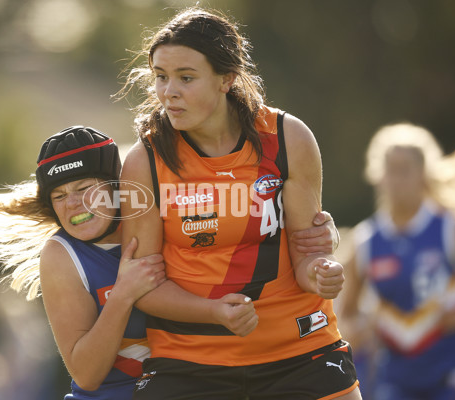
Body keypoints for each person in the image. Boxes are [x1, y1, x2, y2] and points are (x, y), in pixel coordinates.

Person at [0, 125, 340, 400]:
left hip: (199, 387)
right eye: (60, 196)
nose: (73, 205)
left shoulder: (167, 225)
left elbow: (247, 232)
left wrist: (321, 236)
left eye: (85, 189)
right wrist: (124, 295)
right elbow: (86, 375)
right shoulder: (61, 255)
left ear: (119, 185)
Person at [118, 7, 361, 400]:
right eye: (160, 77)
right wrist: (213, 312)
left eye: (186, 78)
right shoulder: (144, 160)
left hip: (299, 349)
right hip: (189, 361)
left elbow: (306, 253)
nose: (168, 92)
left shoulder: (287, 138)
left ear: (227, 79)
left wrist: (321, 272)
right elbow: (143, 287)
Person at [339, 123, 455, 400]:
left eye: (405, 170)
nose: (397, 179)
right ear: (378, 175)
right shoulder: (366, 241)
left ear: (423, 174)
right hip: (397, 375)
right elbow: (347, 314)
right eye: (391, 170)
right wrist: (362, 329)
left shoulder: (452, 228)